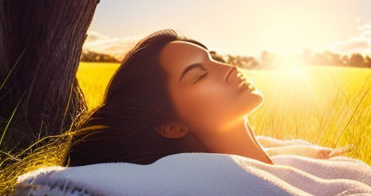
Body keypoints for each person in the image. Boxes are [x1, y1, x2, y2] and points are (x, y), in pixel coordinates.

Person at [65, 29, 351, 166]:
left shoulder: (297, 165)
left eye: (213, 58)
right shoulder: (217, 188)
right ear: (171, 126)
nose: (228, 69)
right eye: (199, 75)